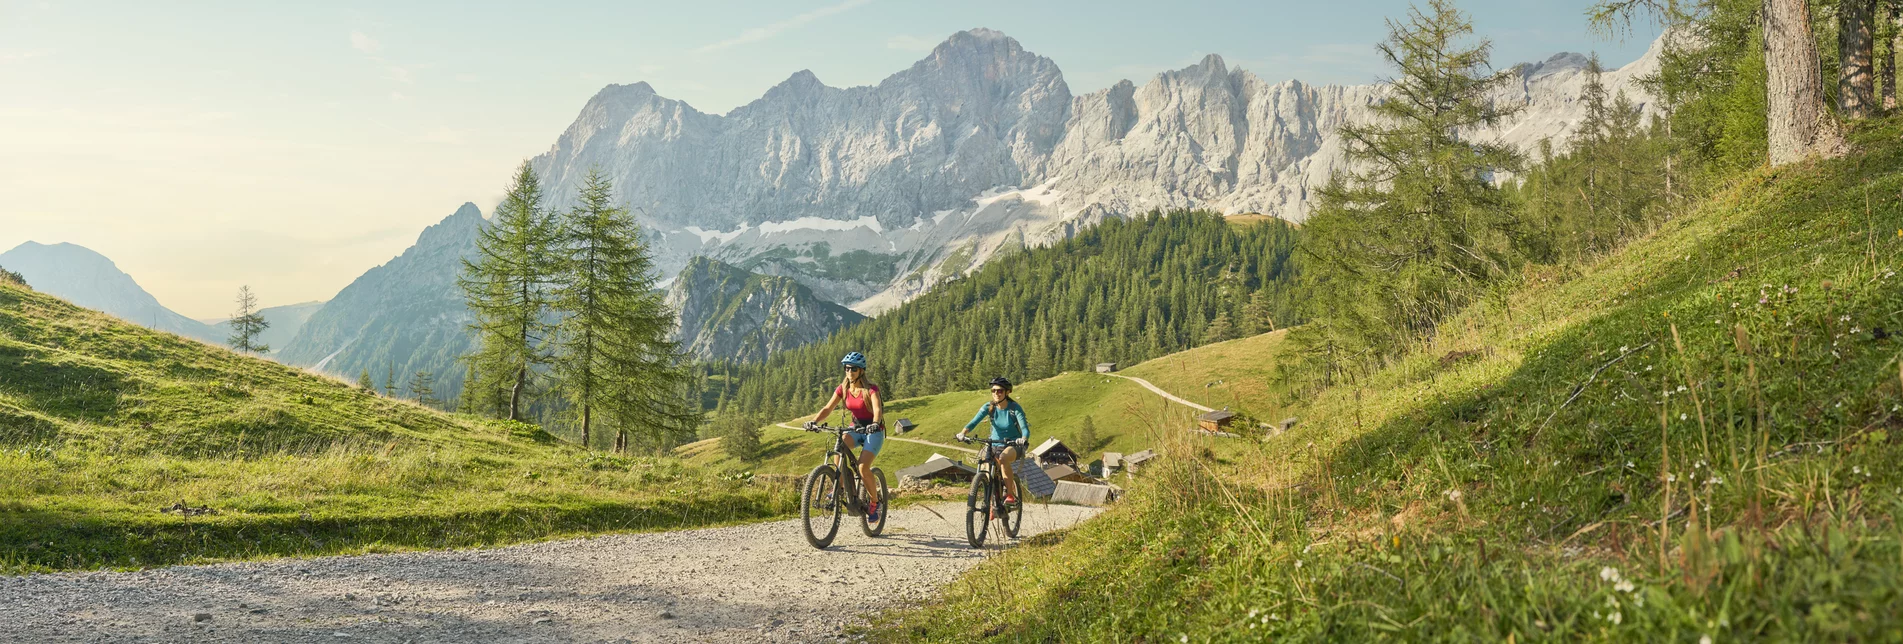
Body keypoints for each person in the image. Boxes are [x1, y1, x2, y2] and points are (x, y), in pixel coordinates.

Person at [807, 352, 886, 522]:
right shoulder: (843, 389)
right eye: (847, 368)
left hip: (874, 431)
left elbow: (877, 409)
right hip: (856, 428)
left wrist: (875, 423)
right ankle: (840, 486)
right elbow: (828, 408)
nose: (849, 372)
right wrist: (813, 421)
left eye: (854, 368)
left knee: (863, 467)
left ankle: (875, 502)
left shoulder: (871, 389)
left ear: (861, 371)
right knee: (839, 448)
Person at [957, 376, 1030, 505]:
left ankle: (1010, 495)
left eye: (1000, 391)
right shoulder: (988, 407)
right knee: (984, 465)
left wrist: (1023, 439)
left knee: (1003, 458)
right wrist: (963, 433)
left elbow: (1024, 428)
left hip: (1013, 444)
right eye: (993, 390)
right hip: (994, 443)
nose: (996, 393)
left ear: (1007, 392)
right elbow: (974, 422)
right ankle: (990, 503)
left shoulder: (1014, 408)